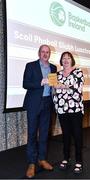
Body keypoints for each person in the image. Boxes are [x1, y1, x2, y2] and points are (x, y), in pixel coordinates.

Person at [23, 44, 57, 178]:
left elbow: (53, 85)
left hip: (47, 103)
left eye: (47, 52)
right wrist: (40, 83)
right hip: (33, 104)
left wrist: (55, 87)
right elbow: (25, 84)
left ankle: (42, 159)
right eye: (43, 52)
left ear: (49, 54)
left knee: (44, 133)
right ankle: (31, 163)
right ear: (39, 53)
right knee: (32, 134)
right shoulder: (30, 65)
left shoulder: (53, 67)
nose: (45, 54)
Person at [53, 51, 84, 174]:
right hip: (61, 109)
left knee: (77, 135)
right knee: (65, 135)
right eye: (63, 58)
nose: (66, 60)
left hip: (75, 109)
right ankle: (66, 158)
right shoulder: (56, 74)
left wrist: (62, 86)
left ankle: (79, 161)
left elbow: (78, 87)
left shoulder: (78, 72)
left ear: (72, 60)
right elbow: (53, 89)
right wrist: (49, 84)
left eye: (68, 58)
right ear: (61, 61)